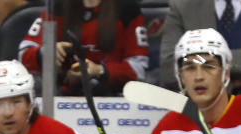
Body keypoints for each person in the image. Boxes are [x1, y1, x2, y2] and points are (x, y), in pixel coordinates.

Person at [18, 0, 149, 96]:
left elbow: (138, 68)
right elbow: (23, 56)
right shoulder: (57, 5)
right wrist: (45, 53)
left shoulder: (127, 8)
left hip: (113, 97)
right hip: (63, 97)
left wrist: (99, 70)